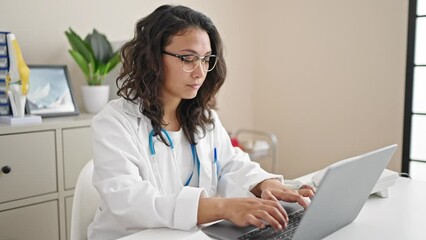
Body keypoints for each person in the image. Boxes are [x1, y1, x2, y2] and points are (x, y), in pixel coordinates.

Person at [88, 4, 315, 240]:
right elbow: (130, 202)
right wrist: (222, 207)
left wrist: (265, 184)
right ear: (153, 58)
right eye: (188, 58)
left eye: (206, 59)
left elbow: (231, 164)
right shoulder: (114, 122)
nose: (200, 72)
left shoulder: (204, 119)